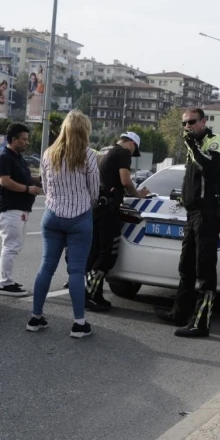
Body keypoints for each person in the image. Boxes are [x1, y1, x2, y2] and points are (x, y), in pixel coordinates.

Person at [26, 110, 100, 338]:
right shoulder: (88, 156)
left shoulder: (49, 154)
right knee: (76, 271)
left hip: (52, 216)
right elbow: (95, 190)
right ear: (84, 131)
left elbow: (45, 187)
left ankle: (35, 318)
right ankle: (79, 324)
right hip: (80, 218)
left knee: (46, 267)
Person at [155, 108, 220, 338]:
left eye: (191, 122)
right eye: (184, 124)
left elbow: (211, 170)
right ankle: (179, 313)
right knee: (186, 266)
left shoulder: (214, 142)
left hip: (207, 213)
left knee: (204, 269)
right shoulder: (192, 147)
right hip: (192, 213)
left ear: (203, 122)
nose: (187, 127)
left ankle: (201, 323)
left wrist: (193, 146)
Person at [83, 132, 151, 311]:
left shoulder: (104, 152)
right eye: (134, 149)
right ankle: (91, 295)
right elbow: (125, 180)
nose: (132, 152)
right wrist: (138, 194)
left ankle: (87, 293)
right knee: (107, 254)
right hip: (109, 209)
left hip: (96, 206)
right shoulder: (123, 153)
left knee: (94, 251)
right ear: (131, 144)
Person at [0, 123, 42, 297]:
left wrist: (38, 180)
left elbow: (26, 177)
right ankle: (5, 284)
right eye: (23, 139)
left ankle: (2, 280)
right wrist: (28, 189)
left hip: (18, 209)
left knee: (12, 245)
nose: (26, 142)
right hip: (10, 208)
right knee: (11, 246)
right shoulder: (5, 157)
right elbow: (4, 181)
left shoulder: (17, 157)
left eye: (27, 139)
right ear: (13, 139)